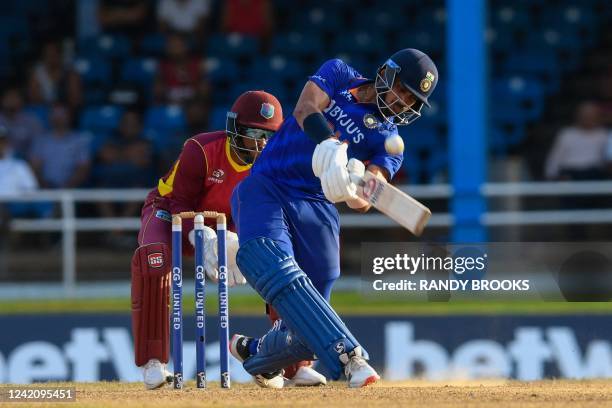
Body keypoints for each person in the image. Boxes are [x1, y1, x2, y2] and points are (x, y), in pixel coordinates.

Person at [228, 49, 439, 388]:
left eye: (410, 101)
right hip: (268, 184)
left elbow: (369, 196)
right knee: (270, 259)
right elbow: (304, 108)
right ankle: (350, 358)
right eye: (401, 89)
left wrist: (353, 187)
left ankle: (257, 354)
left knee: (318, 293)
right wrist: (327, 142)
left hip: (316, 204)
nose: (401, 102)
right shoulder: (339, 73)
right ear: (387, 73)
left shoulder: (388, 140)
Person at [131, 90, 284, 390]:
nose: (261, 143)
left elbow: (266, 214)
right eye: (254, 133)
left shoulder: (272, 165)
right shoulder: (201, 148)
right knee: (155, 258)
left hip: (228, 227)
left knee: (279, 262)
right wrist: (200, 233)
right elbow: (179, 201)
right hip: (170, 213)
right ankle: (153, 361)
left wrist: (237, 238)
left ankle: (284, 362)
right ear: (236, 129)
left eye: (268, 135)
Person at [29, 103, 91, 190]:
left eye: (62, 114)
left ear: (70, 116)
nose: (58, 118)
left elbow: (83, 168)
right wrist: (44, 185)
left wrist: (68, 186)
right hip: (45, 189)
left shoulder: (79, 140)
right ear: (50, 117)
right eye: (55, 114)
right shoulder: (40, 140)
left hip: (72, 189)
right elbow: (35, 167)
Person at [545, 101, 609, 181]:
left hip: (593, 173)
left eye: (591, 116)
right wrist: (551, 175)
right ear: (578, 116)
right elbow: (555, 157)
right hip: (569, 172)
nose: (588, 119)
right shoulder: (566, 134)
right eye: (585, 115)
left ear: (598, 117)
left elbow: (607, 159)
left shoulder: (604, 135)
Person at [27, 41, 83, 111]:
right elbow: (33, 97)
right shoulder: (37, 72)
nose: (51, 58)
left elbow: (76, 99)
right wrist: (51, 105)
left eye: (54, 54)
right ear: (44, 56)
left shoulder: (69, 72)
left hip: (66, 110)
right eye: (48, 54)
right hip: (43, 109)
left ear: (59, 55)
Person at [0, 88, 44, 159]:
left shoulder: (32, 121)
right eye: (9, 97)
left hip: (25, 162)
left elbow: (39, 145)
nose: (11, 100)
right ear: (2, 100)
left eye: (14, 97)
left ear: (21, 100)